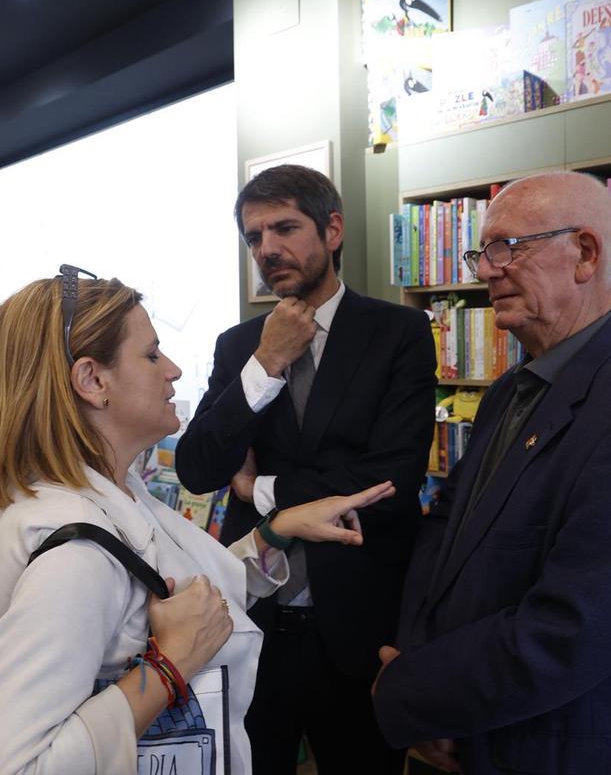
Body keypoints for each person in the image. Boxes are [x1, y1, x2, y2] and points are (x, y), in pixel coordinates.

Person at [0, 270, 396, 774]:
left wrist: (279, 530)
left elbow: (185, 591)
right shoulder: (74, 560)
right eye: (150, 355)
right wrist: (168, 668)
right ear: (92, 380)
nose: (170, 370)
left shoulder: (117, 498)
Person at [371, 171, 611, 775]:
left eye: (509, 247)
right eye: (483, 251)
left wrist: (415, 694)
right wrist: (424, 680)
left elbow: (574, 630)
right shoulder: (512, 389)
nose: (486, 269)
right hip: (489, 731)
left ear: (584, 254)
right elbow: (445, 538)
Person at [175, 165, 437, 774]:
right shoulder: (240, 346)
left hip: (358, 621)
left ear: (333, 229)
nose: (268, 248)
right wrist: (266, 363)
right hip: (253, 623)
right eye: (254, 237)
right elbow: (196, 467)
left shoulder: (399, 332)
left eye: (285, 228)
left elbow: (390, 482)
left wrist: (257, 486)